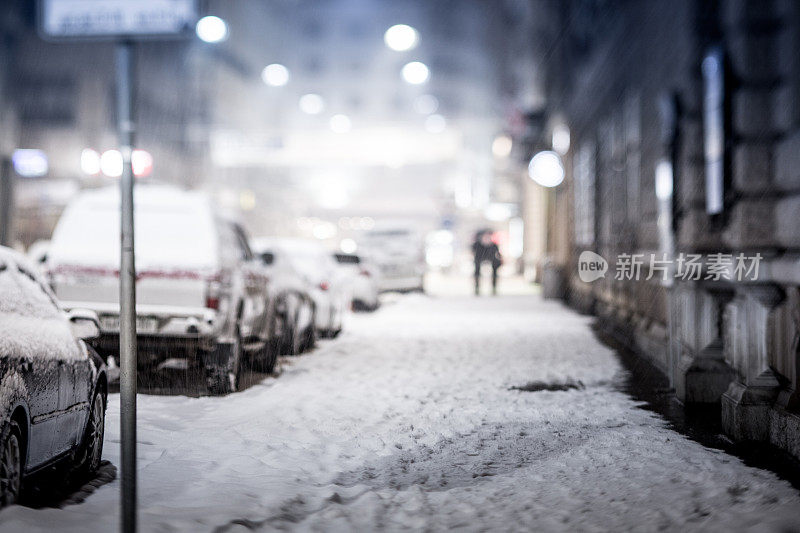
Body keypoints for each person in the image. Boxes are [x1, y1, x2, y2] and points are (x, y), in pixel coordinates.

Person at [472, 230, 502, 295]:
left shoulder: (493, 245)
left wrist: (500, 260)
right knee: (477, 269)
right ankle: (477, 287)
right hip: (479, 258)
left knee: (495, 267)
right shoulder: (477, 244)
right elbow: (472, 252)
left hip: (491, 258)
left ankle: (494, 287)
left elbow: (498, 254)